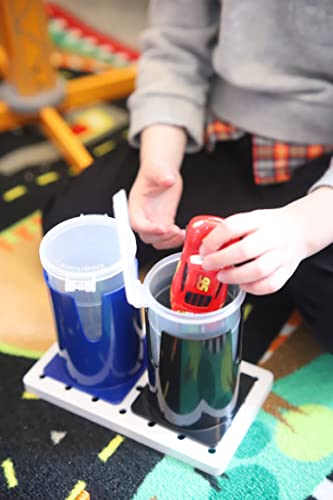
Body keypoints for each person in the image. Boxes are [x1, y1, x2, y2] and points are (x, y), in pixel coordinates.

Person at [43, 1, 333, 361]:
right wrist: (160, 159)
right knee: (76, 226)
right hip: (221, 129)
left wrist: (305, 228)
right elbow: (174, 48)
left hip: (323, 177)